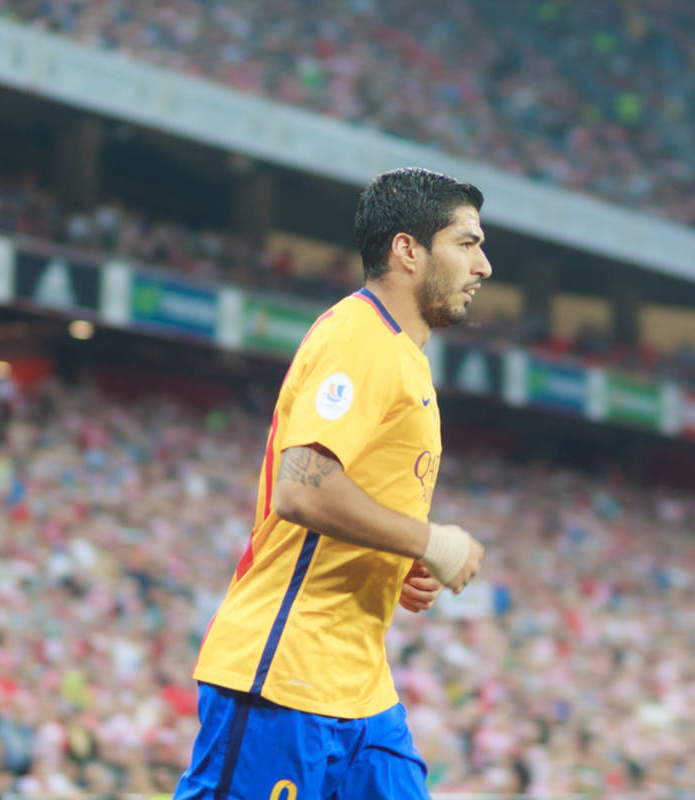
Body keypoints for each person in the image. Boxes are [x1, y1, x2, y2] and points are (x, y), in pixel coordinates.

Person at [173, 167, 492, 800]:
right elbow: (303, 488)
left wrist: (399, 560)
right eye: (466, 243)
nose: (483, 265)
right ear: (407, 250)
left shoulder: (404, 357)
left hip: (360, 686)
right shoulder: (359, 337)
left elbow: (355, 497)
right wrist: (427, 541)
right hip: (285, 672)